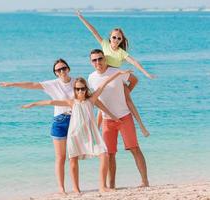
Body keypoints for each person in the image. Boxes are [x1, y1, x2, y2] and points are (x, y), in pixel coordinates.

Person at [22, 70, 131, 193]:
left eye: (82, 89)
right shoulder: (71, 102)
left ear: (86, 89)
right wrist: (33, 104)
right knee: (73, 161)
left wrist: (119, 73)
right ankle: (76, 189)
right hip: (75, 135)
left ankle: (102, 186)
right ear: (74, 90)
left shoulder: (91, 99)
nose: (80, 91)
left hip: (91, 134)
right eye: (77, 89)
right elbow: (50, 102)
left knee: (104, 155)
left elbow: (104, 83)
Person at [0, 59, 74, 195]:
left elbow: (87, 98)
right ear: (55, 73)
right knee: (60, 157)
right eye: (58, 70)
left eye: (63, 68)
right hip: (59, 121)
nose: (61, 71)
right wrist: (12, 84)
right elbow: (32, 84)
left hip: (75, 121)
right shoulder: (53, 84)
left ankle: (76, 187)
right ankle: (61, 188)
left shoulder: (77, 82)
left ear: (68, 69)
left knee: (73, 156)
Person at [76, 10, 151, 137]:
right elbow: (93, 31)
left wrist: (146, 73)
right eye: (114, 37)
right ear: (110, 37)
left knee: (128, 100)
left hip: (116, 78)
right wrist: (81, 17)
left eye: (119, 38)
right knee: (101, 104)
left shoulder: (121, 52)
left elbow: (134, 62)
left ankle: (142, 126)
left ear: (121, 40)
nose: (116, 40)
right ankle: (96, 132)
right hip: (103, 77)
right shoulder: (104, 44)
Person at [88, 49, 149, 189]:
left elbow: (134, 80)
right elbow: (98, 103)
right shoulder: (91, 78)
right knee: (109, 154)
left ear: (105, 59)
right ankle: (112, 185)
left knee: (134, 148)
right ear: (91, 62)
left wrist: (126, 91)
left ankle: (145, 182)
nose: (98, 62)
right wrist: (96, 127)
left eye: (100, 59)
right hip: (107, 120)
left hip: (124, 116)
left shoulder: (116, 72)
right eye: (94, 60)